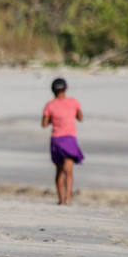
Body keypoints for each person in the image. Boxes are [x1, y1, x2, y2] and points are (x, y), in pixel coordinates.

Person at [42, 77, 84, 205]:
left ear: (52, 90)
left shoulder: (50, 105)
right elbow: (80, 118)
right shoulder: (73, 102)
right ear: (66, 88)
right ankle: (68, 198)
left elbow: (44, 124)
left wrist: (51, 119)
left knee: (59, 170)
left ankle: (61, 200)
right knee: (69, 171)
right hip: (70, 138)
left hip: (57, 140)